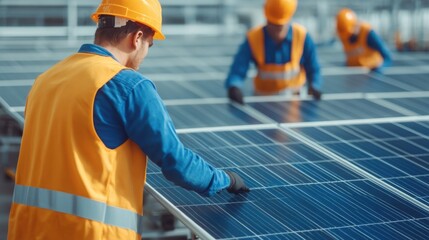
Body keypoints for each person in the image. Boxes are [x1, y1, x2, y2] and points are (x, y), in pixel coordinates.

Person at [8, 0, 249, 239]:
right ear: (137, 38)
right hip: (91, 233)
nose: (145, 53)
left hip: (28, 229)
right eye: (149, 45)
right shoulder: (128, 86)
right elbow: (177, 162)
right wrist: (225, 180)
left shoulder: (46, 80)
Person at [225, 0, 323, 105]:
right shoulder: (253, 38)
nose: (275, 29)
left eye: (279, 26)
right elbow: (238, 68)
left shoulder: (302, 36)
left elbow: (313, 67)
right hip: (263, 101)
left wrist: (314, 85)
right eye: (272, 23)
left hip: (294, 102)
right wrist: (234, 86)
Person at [336, 8, 392, 73]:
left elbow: (387, 57)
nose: (347, 37)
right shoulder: (343, 34)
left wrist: (378, 69)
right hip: (352, 75)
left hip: (370, 77)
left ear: (355, 25)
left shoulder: (368, 33)